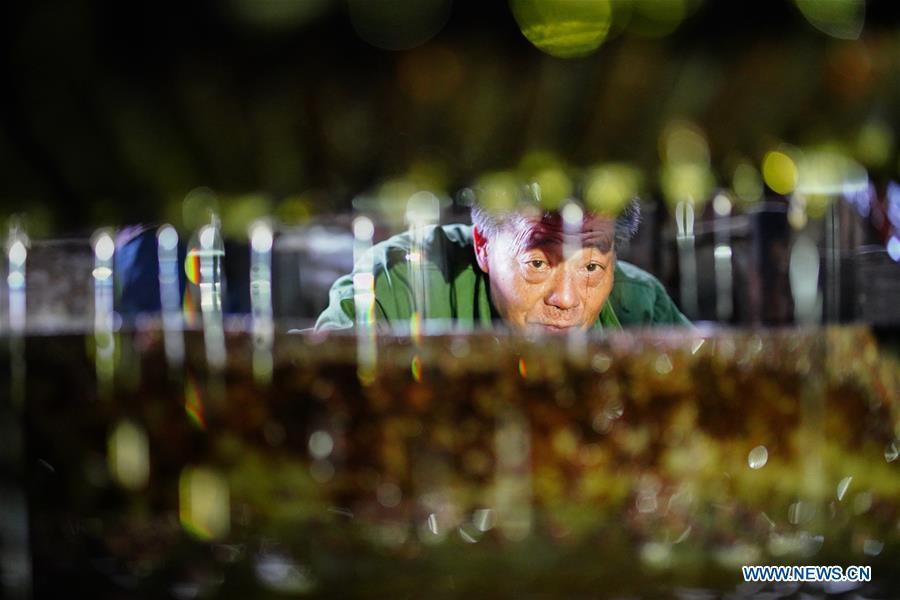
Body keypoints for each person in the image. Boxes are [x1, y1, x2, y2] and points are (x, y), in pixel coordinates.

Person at [315, 188, 690, 333]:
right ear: (483, 244)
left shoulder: (640, 305)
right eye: (538, 263)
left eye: (590, 267)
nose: (566, 299)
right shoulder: (398, 283)